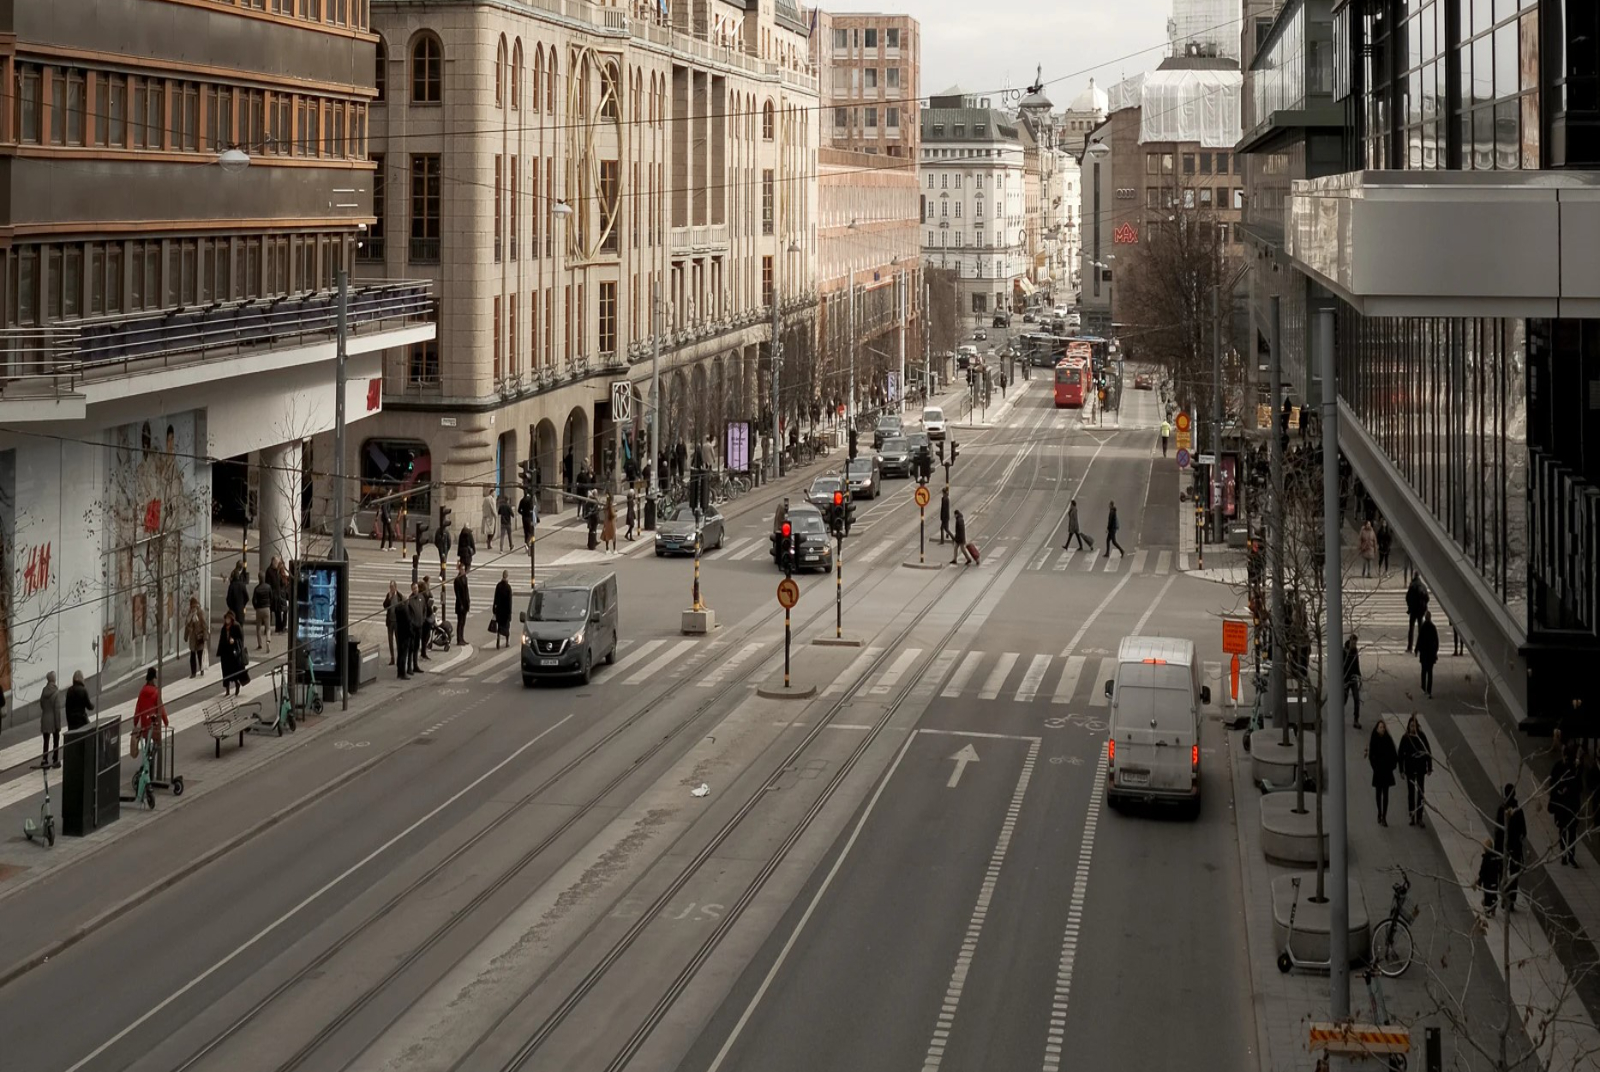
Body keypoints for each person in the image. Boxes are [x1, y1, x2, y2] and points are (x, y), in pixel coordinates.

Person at [1493, 784, 1527, 910]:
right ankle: (1511, 900)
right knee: (1513, 873)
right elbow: (1524, 832)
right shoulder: (1518, 811)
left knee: (1502, 873)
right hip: (1515, 848)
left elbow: (1498, 831)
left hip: (1503, 847)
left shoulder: (1502, 810)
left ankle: (1504, 897)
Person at [1552, 742, 1583, 866]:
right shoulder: (1572, 769)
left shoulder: (1563, 767)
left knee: (1565, 831)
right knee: (1568, 832)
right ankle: (1568, 855)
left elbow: (1553, 784)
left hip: (1565, 806)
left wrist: (1562, 790)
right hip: (1569, 806)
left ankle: (1566, 854)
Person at [1398, 715, 1433, 827]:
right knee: (1411, 793)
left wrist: (1429, 767)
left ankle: (1420, 817)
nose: (1413, 728)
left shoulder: (1421, 736)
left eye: (1415, 726)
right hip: (1410, 769)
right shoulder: (1405, 738)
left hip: (1420, 768)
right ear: (1408, 726)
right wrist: (1401, 770)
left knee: (1421, 792)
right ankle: (1412, 815)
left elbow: (1427, 750)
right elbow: (1400, 755)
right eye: (1411, 726)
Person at [1366, 719, 1397, 826]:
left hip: (1387, 770)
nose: (1382, 729)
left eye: (1383, 727)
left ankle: (1384, 816)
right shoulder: (1374, 739)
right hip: (1378, 770)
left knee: (1386, 794)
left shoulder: (1388, 739)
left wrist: (1392, 766)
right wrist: (1375, 767)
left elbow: (1394, 754)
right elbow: (1371, 756)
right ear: (1377, 728)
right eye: (1380, 727)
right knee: (1378, 793)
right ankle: (1379, 812)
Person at [133, 666, 168, 757]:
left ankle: (147, 759)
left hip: (145, 722)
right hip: (154, 722)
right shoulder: (156, 692)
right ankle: (152, 759)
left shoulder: (142, 692)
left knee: (146, 741)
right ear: (153, 679)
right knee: (156, 742)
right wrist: (166, 721)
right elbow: (161, 707)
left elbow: (138, 708)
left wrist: (135, 721)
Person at [217, 611, 249, 696]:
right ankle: (227, 690)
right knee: (225, 672)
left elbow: (241, 639)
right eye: (226, 618)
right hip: (225, 653)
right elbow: (221, 640)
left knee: (234, 671)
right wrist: (220, 651)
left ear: (231, 619)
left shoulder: (236, 626)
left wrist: (234, 641)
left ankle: (237, 684)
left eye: (228, 618)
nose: (227, 620)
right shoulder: (224, 628)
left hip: (233, 653)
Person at [37, 671, 61, 769]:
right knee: (56, 739)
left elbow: (42, 704)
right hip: (53, 719)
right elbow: (57, 709)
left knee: (46, 740)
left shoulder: (44, 690)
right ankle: (55, 759)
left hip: (45, 718)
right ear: (54, 679)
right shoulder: (56, 692)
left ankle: (45, 759)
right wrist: (58, 724)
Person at [1475, 836, 1501, 919]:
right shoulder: (1496, 857)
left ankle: (1488, 910)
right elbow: (1500, 868)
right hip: (1495, 880)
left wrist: (1480, 881)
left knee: (1487, 895)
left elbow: (1483, 871)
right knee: (1493, 893)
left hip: (1487, 881)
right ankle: (1493, 904)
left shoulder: (1486, 859)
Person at [1415, 610, 1440, 698]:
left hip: (1424, 653)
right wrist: (1435, 652)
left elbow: (1419, 639)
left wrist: (1417, 649)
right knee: (1430, 672)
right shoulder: (1433, 627)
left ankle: (1423, 687)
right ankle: (1429, 690)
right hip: (1430, 653)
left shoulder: (1423, 627)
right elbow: (1436, 641)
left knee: (1423, 671)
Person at [393, 584, 413, 679]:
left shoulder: (398, 609)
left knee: (399, 652)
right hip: (405, 634)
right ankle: (403, 672)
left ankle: (398, 672)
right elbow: (409, 622)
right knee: (404, 654)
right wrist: (411, 633)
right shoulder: (406, 611)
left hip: (399, 633)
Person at [185, 596, 208, 677]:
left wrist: (205, 637)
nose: (193, 608)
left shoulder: (200, 612)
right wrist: (186, 636)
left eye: (195, 606)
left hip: (199, 636)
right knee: (192, 654)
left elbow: (204, 625)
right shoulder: (189, 614)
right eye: (192, 606)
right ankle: (193, 672)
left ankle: (201, 669)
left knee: (200, 654)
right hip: (192, 637)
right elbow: (187, 625)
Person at [1343, 633, 1363, 729]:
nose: (1354, 645)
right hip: (1345, 679)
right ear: (1350, 641)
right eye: (1353, 643)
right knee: (1344, 700)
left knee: (1356, 699)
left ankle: (1356, 719)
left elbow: (1357, 664)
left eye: (1356, 643)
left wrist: (1359, 676)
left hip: (1353, 678)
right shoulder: (1344, 651)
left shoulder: (1355, 651)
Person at [407, 583, 428, 672]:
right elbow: (408, 614)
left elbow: (424, 609)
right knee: (411, 648)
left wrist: (423, 619)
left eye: (416, 588)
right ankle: (409, 667)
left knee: (416, 647)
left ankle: (415, 665)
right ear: (412, 590)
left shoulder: (421, 598)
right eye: (413, 588)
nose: (415, 590)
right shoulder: (410, 600)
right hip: (413, 627)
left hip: (420, 626)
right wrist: (412, 623)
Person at [1405, 574, 1429, 652]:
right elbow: (1427, 598)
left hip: (1413, 609)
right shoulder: (1423, 586)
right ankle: (1420, 646)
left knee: (1411, 628)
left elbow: (1408, 597)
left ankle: (1410, 647)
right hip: (1421, 610)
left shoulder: (1412, 586)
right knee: (1420, 628)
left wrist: (1409, 607)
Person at [252, 574, 274, 652]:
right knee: (268, 628)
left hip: (259, 609)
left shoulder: (257, 589)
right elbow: (271, 597)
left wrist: (256, 607)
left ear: (259, 578)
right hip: (266, 608)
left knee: (258, 628)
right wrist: (269, 604)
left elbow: (254, 600)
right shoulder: (268, 587)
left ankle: (260, 644)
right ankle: (268, 640)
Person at [383, 581, 403, 666]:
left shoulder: (399, 596)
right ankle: (392, 658)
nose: (391, 589)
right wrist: (389, 598)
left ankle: (399, 658)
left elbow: (403, 607)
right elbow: (385, 606)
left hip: (397, 622)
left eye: (392, 587)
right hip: (390, 621)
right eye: (390, 587)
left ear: (395, 587)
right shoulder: (389, 595)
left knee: (398, 640)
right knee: (390, 640)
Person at [268, 557, 290, 634]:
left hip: (279, 595)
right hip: (276, 595)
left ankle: (280, 627)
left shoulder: (276, 571)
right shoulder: (272, 571)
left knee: (280, 611)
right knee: (279, 611)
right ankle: (280, 627)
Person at [493, 570, 514, 649]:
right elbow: (509, 601)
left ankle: (498, 640)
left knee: (499, 626)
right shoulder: (508, 587)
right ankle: (507, 641)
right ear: (507, 576)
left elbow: (495, 598)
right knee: (507, 626)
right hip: (506, 611)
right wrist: (510, 613)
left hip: (499, 610)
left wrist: (494, 608)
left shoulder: (498, 585)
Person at [453, 563, 471, 648]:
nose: (463, 571)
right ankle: (459, 639)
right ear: (459, 570)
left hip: (465, 603)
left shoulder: (465, 578)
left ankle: (462, 638)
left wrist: (468, 602)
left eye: (464, 569)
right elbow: (458, 594)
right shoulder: (457, 580)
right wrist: (461, 604)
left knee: (463, 622)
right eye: (462, 569)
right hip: (460, 604)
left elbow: (467, 592)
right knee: (460, 622)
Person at [420, 577, 436, 658]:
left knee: (426, 634)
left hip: (428, 614)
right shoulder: (422, 594)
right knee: (425, 635)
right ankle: (423, 651)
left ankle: (423, 650)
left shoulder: (427, 592)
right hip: (425, 616)